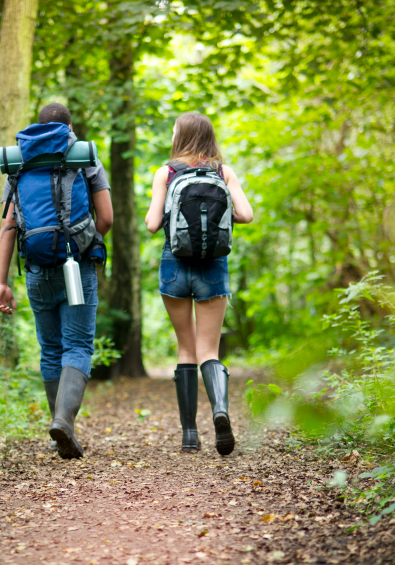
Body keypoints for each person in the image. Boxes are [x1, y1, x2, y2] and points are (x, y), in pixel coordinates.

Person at [0, 103, 113, 459]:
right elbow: (106, 218)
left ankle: (57, 430)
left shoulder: (19, 162)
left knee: (50, 349)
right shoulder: (84, 155)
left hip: (36, 268)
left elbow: (8, 227)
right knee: (77, 346)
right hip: (77, 264)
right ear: (69, 127)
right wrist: (84, 236)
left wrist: (2, 282)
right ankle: (63, 420)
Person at [144, 112, 254, 455]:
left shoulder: (166, 172)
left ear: (180, 136)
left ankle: (190, 435)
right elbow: (246, 215)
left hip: (174, 265)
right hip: (213, 267)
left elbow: (150, 224)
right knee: (210, 350)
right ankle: (220, 411)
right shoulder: (223, 172)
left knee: (185, 348)